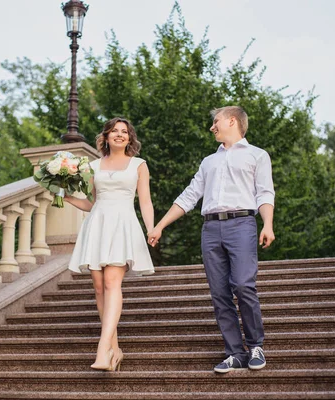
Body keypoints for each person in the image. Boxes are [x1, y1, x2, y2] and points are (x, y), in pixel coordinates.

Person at [147, 105, 275, 373]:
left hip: (242, 224)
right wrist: (159, 226)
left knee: (242, 284)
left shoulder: (257, 156)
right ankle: (234, 353)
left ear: (231, 121)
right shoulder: (209, 162)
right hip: (210, 229)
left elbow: (265, 193)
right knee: (219, 293)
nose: (211, 127)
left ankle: (255, 346)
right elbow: (189, 196)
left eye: (215, 121)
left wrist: (268, 224)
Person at [65, 117, 155, 372]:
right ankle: (115, 349)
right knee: (98, 287)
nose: (119, 135)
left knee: (112, 282)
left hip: (123, 224)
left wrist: (151, 228)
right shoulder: (93, 165)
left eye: (124, 132)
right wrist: (68, 197)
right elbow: (92, 202)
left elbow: (145, 202)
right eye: (114, 131)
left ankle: (102, 349)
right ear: (105, 137)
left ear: (129, 138)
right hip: (98, 225)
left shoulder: (139, 165)